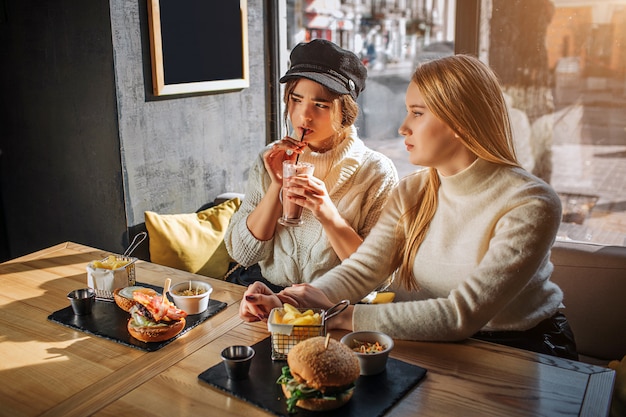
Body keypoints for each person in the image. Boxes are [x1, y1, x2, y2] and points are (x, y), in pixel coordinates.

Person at [239, 54, 578, 360]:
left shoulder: (531, 203)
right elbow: (363, 270)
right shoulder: (414, 190)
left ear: (459, 121)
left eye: (417, 113)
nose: (403, 127)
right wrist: (288, 302)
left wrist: (338, 316)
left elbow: (462, 315)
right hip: (436, 340)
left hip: (524, 350)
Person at [224, 39, 398, 291]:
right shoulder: (271, 158)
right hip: (266, 293)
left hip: (335, 304)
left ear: (345, 112)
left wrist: (326, 213)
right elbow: (243, 255)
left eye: (320, 105)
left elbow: (379, 280)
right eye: (296, 99)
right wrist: (276, 188)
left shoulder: (376, 172)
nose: (304, 116)